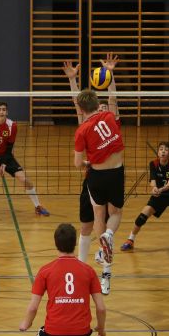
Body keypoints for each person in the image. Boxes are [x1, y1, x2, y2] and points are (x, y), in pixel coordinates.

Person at [63, 55, 118, 265]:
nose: (103, 109)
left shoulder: (111, 120)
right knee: (87, 224)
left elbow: (113, 99)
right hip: (92, 177)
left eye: (105, 108)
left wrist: (110, 75)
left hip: (108, 176)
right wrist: (72, 80)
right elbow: (78, 103)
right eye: (100, 107)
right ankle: (82, 264)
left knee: (104, 220)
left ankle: (105, 262)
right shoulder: (86, 123)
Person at [73, 88, 125, 295]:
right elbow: (113, 96)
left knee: (98, 215)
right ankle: (109, 235)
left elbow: (78, 163)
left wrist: (86, 162)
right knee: (116, 213)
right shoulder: (110, 116)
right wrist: (110, 76)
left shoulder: (82, 130)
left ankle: (104, 246)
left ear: (80, 108)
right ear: (97, 103)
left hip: (96, 176)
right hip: (116, 173)